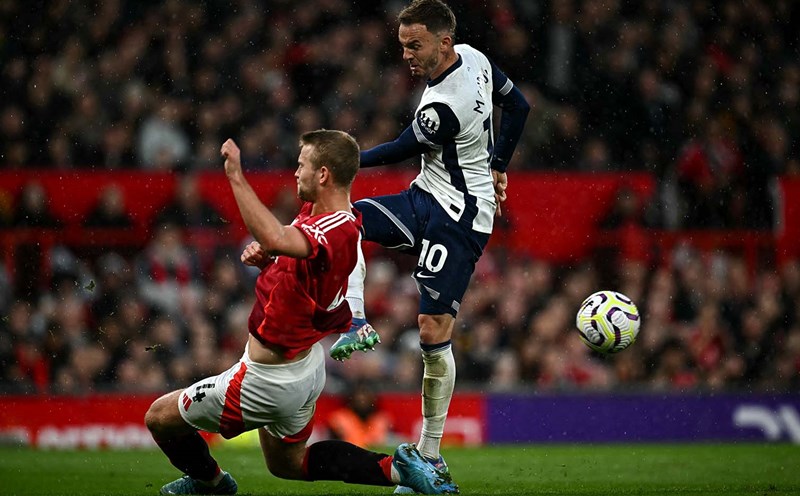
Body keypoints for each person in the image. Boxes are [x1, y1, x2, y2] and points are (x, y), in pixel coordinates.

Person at [144, 130, 458, 495]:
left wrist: (235, 176)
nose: (295, 172)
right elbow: (296, 265)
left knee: (160, 417)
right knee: (287, 464)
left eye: (301, 165)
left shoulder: (337, 228)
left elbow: (278, 237)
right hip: (305, 365)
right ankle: (399, 470)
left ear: (322, 174)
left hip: (266, 378)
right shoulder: (318, 213)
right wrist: (270, 259)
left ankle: (209, 483)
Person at [329, 0, 529, 491]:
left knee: (432, 328)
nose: (406, 56)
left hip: (461, 217)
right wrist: (499, 163)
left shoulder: (443, 107)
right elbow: (518, 106)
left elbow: (400, 148)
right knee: (345, 220)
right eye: (402, 46)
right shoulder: (476, 57)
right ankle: (356, 320)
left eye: (414, 46)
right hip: (425, 195)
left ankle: (432, 454)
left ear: (444, 42)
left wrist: (341, 159)